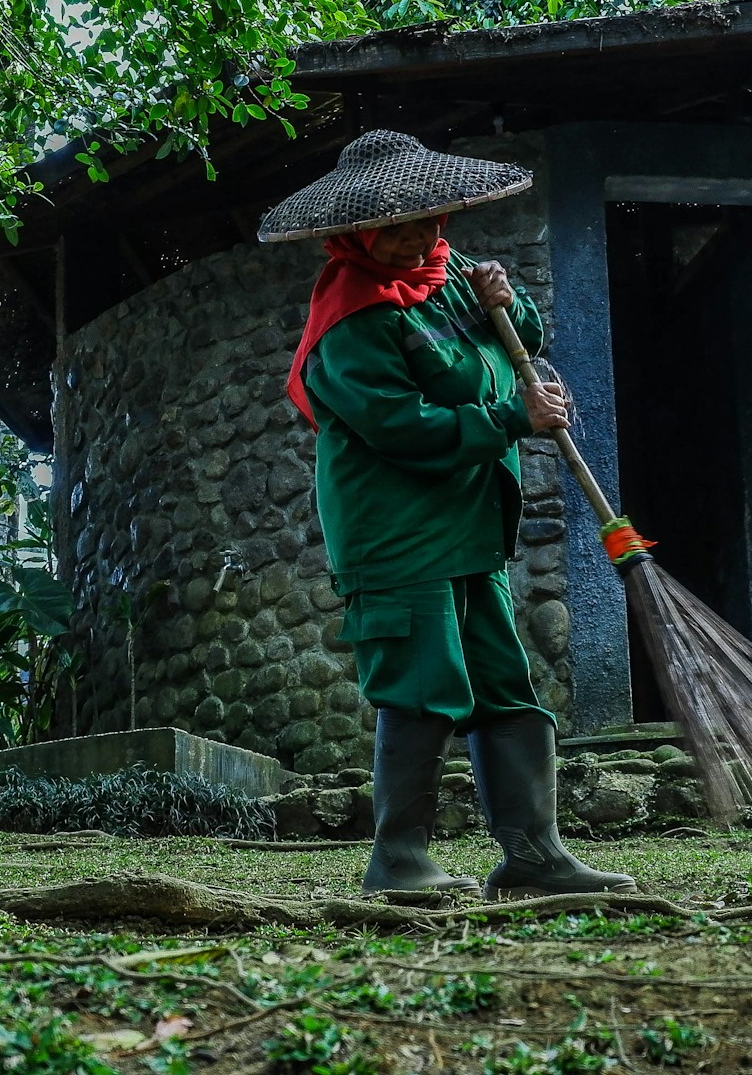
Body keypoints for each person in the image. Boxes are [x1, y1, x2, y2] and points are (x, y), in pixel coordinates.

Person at [258, 129, 637, 899]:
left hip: (470, 524)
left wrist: (508, 301)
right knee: (424, 688)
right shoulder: (351, 319)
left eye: (428, 220)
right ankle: (400, 862)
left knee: (505, 687)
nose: (416, 238)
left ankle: (534, 858)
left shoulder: (451, 270)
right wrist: (512, 417)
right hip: (398, 534)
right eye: (396, 228)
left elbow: (517, 338)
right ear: (355, 233)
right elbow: (397, 425)